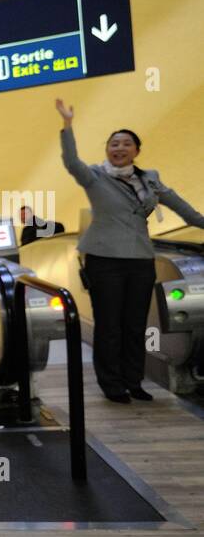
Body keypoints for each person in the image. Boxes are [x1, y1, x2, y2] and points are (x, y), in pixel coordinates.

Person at [56, 99, 204, 402]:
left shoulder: (149, 179)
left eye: (125, 144)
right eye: (113, 144)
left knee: (135, 325)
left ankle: (134, 381)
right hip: (104, 259)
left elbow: (181, 207)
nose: (119, 148)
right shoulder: (95, 176)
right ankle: (112, 384)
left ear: (137, 150)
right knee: (109, 325)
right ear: (107, 150)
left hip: (140, 259)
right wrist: (67, 125)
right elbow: (72, 162)